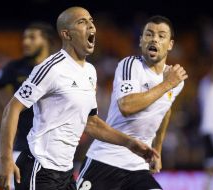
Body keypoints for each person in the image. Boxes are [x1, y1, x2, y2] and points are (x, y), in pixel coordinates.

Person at [0, 7, 159, 190]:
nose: (91, 26)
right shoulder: (51, 68)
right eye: (82, 22)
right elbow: (12, 108)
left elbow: (91, 123)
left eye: (91, 21)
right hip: (39, 169)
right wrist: (5, 161)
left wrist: (130, 143)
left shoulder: (90, 72)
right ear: (66, 34)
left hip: (66, 174)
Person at [77, 15, 188, 190]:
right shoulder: (130, 65)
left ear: (170, 45)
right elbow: (127, 106)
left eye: (161, 35)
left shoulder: (176, 80)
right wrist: (167, 84)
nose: (154, 39)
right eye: (149, 34)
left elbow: (165, 110)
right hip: (105, 161)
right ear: (141, 40)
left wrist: (157, 149)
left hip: (138, 168)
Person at [0, 21, 56, 160]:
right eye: (24, 38)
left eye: (32, 37)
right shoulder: (15, 67)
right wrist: (1, 117)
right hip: (23, 145)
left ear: (46, 40)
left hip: (53, 147)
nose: (25, 42)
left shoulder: (58, 67)